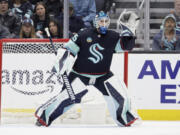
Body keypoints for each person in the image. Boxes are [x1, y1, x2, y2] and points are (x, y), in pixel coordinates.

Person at [35, 11, 140, 127]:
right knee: (67, 98)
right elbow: (69, 49)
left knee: (120, 94)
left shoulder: (113, 36)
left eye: (106, 21)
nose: (103, 24)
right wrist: (62, 61)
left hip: (103, 75)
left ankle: (124, 118)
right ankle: (43, 117)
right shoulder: (84, 34)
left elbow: (126, 47)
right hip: (80, 74)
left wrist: (130, 34)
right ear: (95, 22)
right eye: (101, 21)